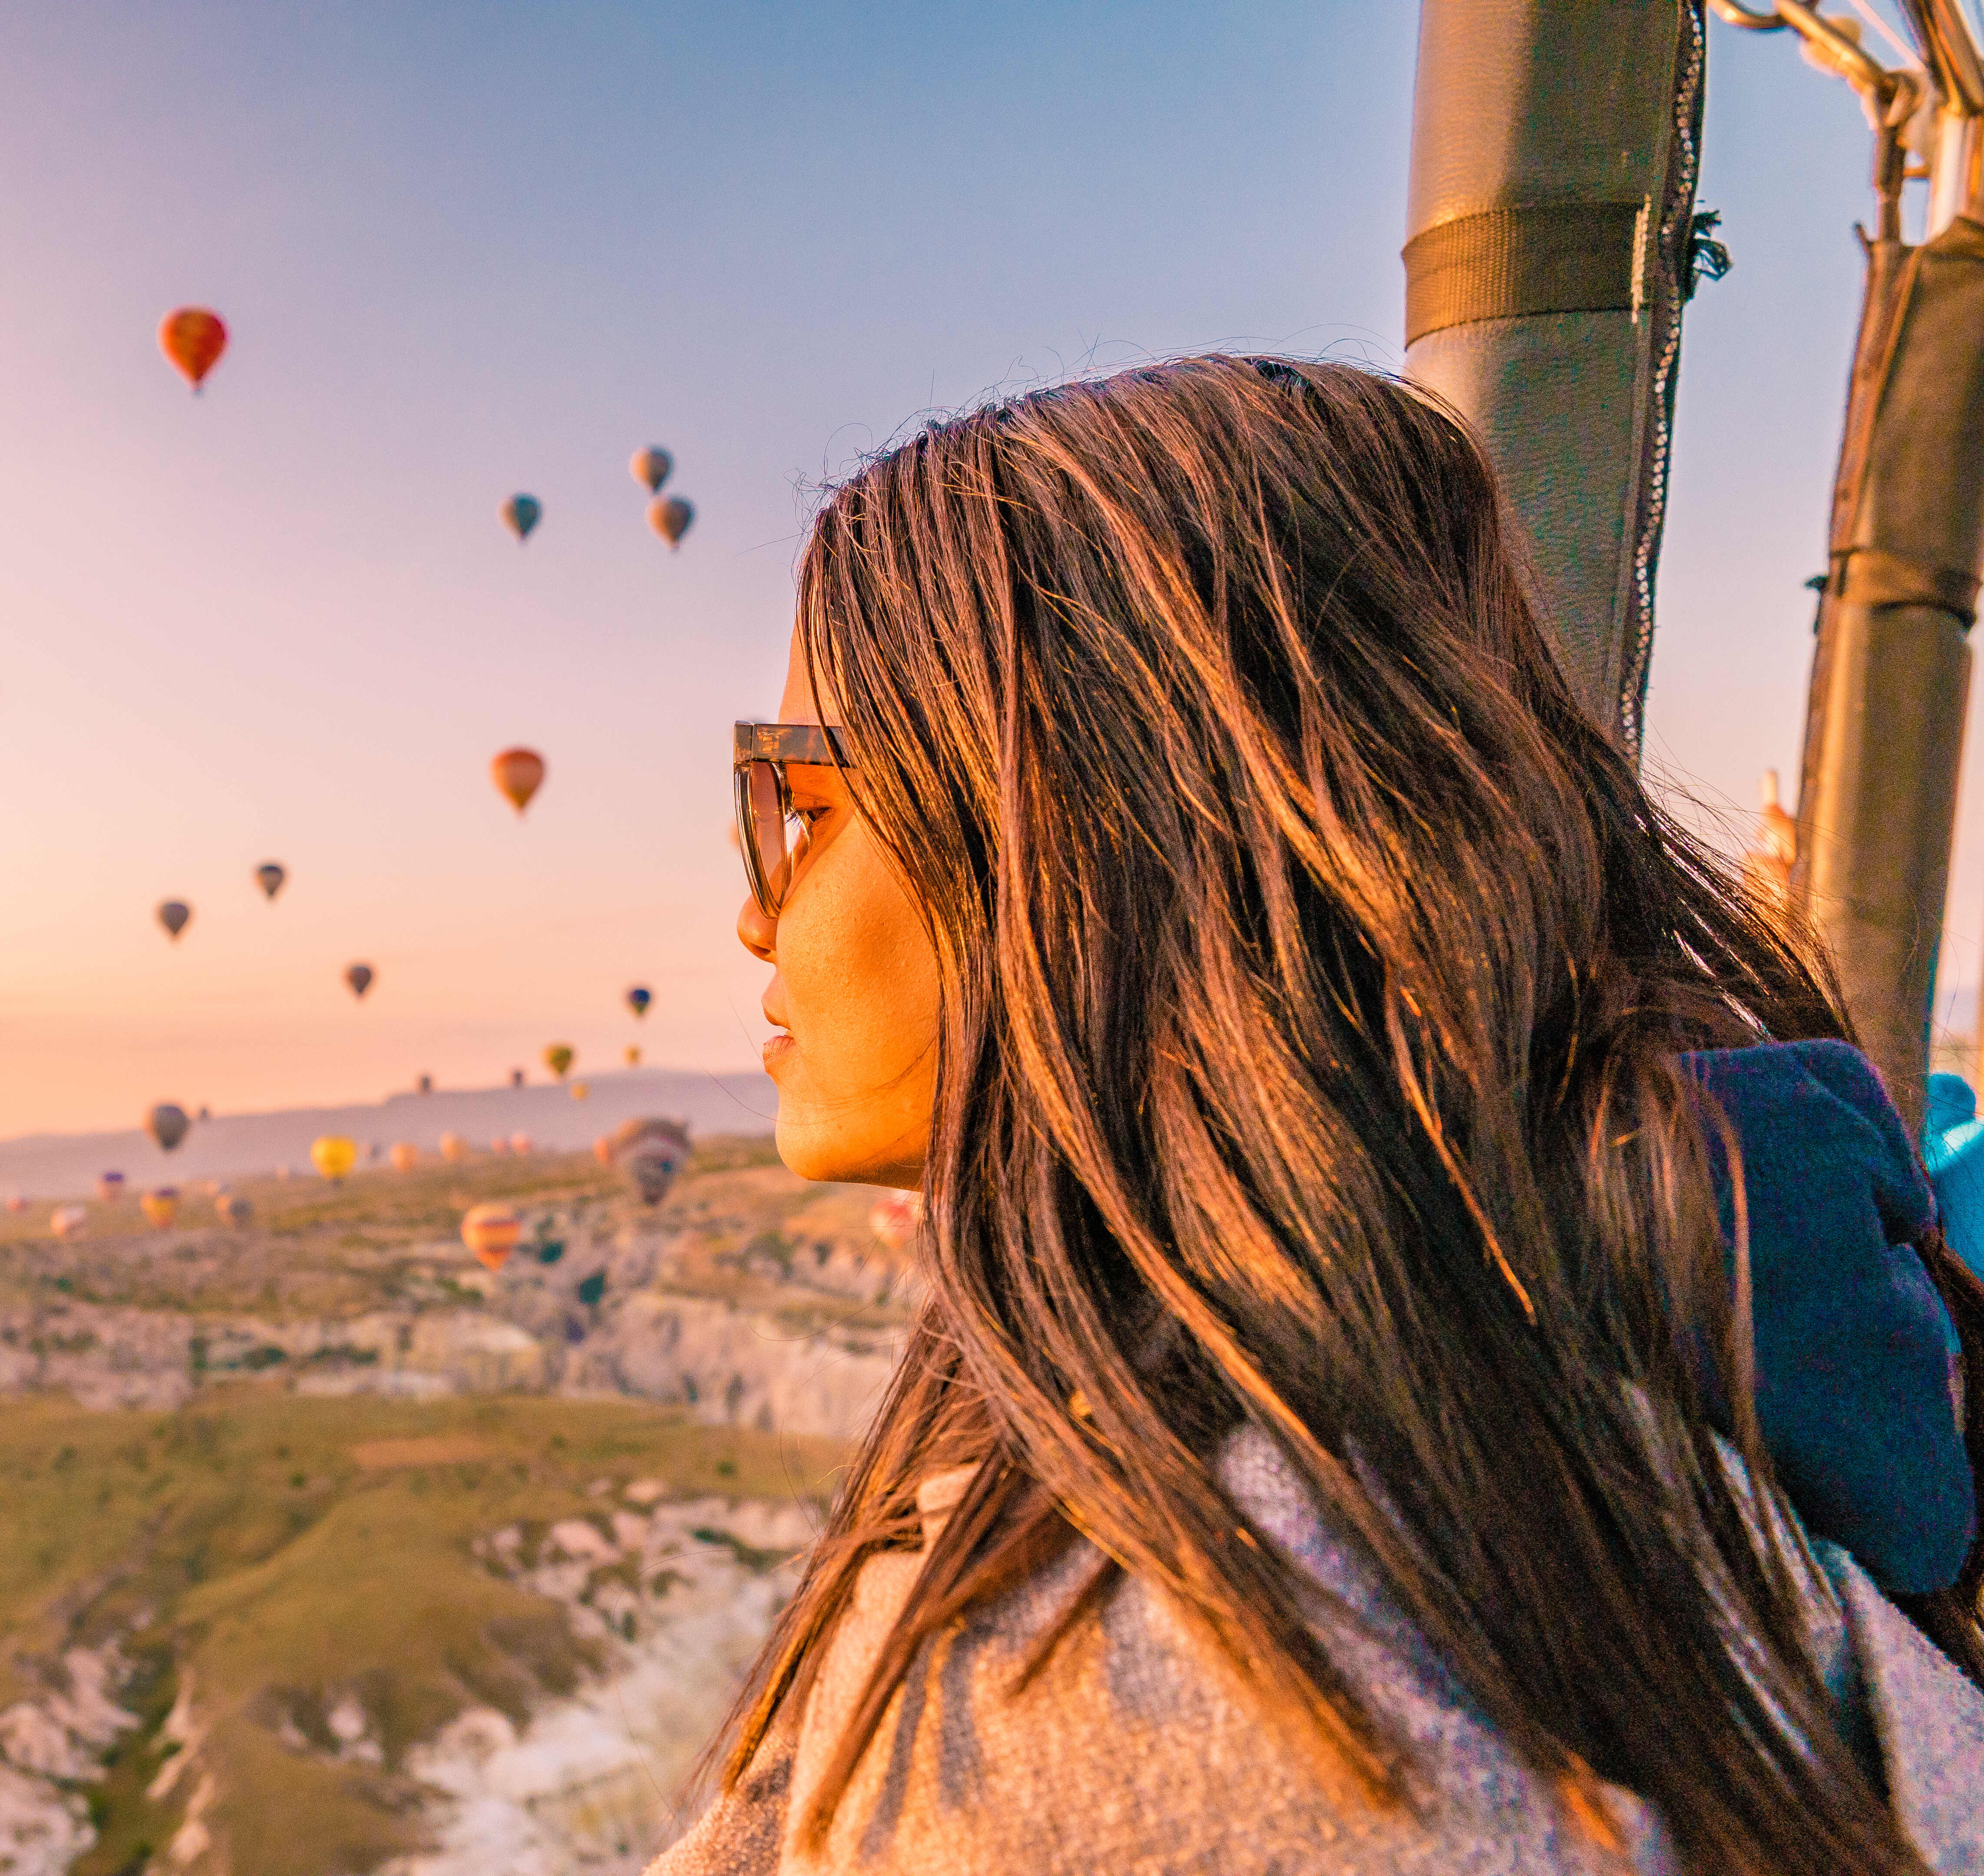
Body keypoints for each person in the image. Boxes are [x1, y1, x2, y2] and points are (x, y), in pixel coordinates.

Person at [660, 357, 1984, 1875]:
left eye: (799, 807)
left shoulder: (1137, 1682)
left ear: (1092, 832)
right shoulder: (1665, 1408)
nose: (760, 919)